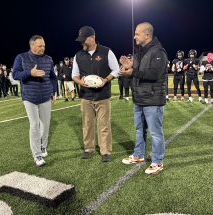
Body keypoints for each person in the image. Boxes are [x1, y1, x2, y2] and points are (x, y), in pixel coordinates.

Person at [119, 22, 168, 175]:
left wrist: (132, 71)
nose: (134, 36)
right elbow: (135, 70)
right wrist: (128, 66)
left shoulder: (159, 52)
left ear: (147, 35)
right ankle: (139, 155)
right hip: (139, 98)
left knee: (155, 132)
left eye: (137, 33)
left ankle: (157, 161)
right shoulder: (139, 52)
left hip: (152, 99)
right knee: (140, 129)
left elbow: (153, 75)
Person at [72, 26, 119, 162]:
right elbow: (75, 75)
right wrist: (81, 82)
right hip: (86, 96)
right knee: (87, 124)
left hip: (102, 95)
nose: (82, 43)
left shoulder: (106, 51)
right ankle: (89, 148)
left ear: (92, 38)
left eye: (84, 40)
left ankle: (105, 151)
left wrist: (106, 79)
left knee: (104, 124)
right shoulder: (78, 55)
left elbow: (116, 70)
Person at [13, 35, 57, 167]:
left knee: (45, 125)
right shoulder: (21, 57)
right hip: (29, 98)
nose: (43, 48)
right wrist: (29, 73)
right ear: (32, 45)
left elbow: (53, 78)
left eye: (44, 45)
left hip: (45, 97)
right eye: (40, 46)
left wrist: (53, 92)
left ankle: (43, 147)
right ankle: (37, 155)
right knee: (34, 125)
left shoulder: (48, 59)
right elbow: (15, 74)